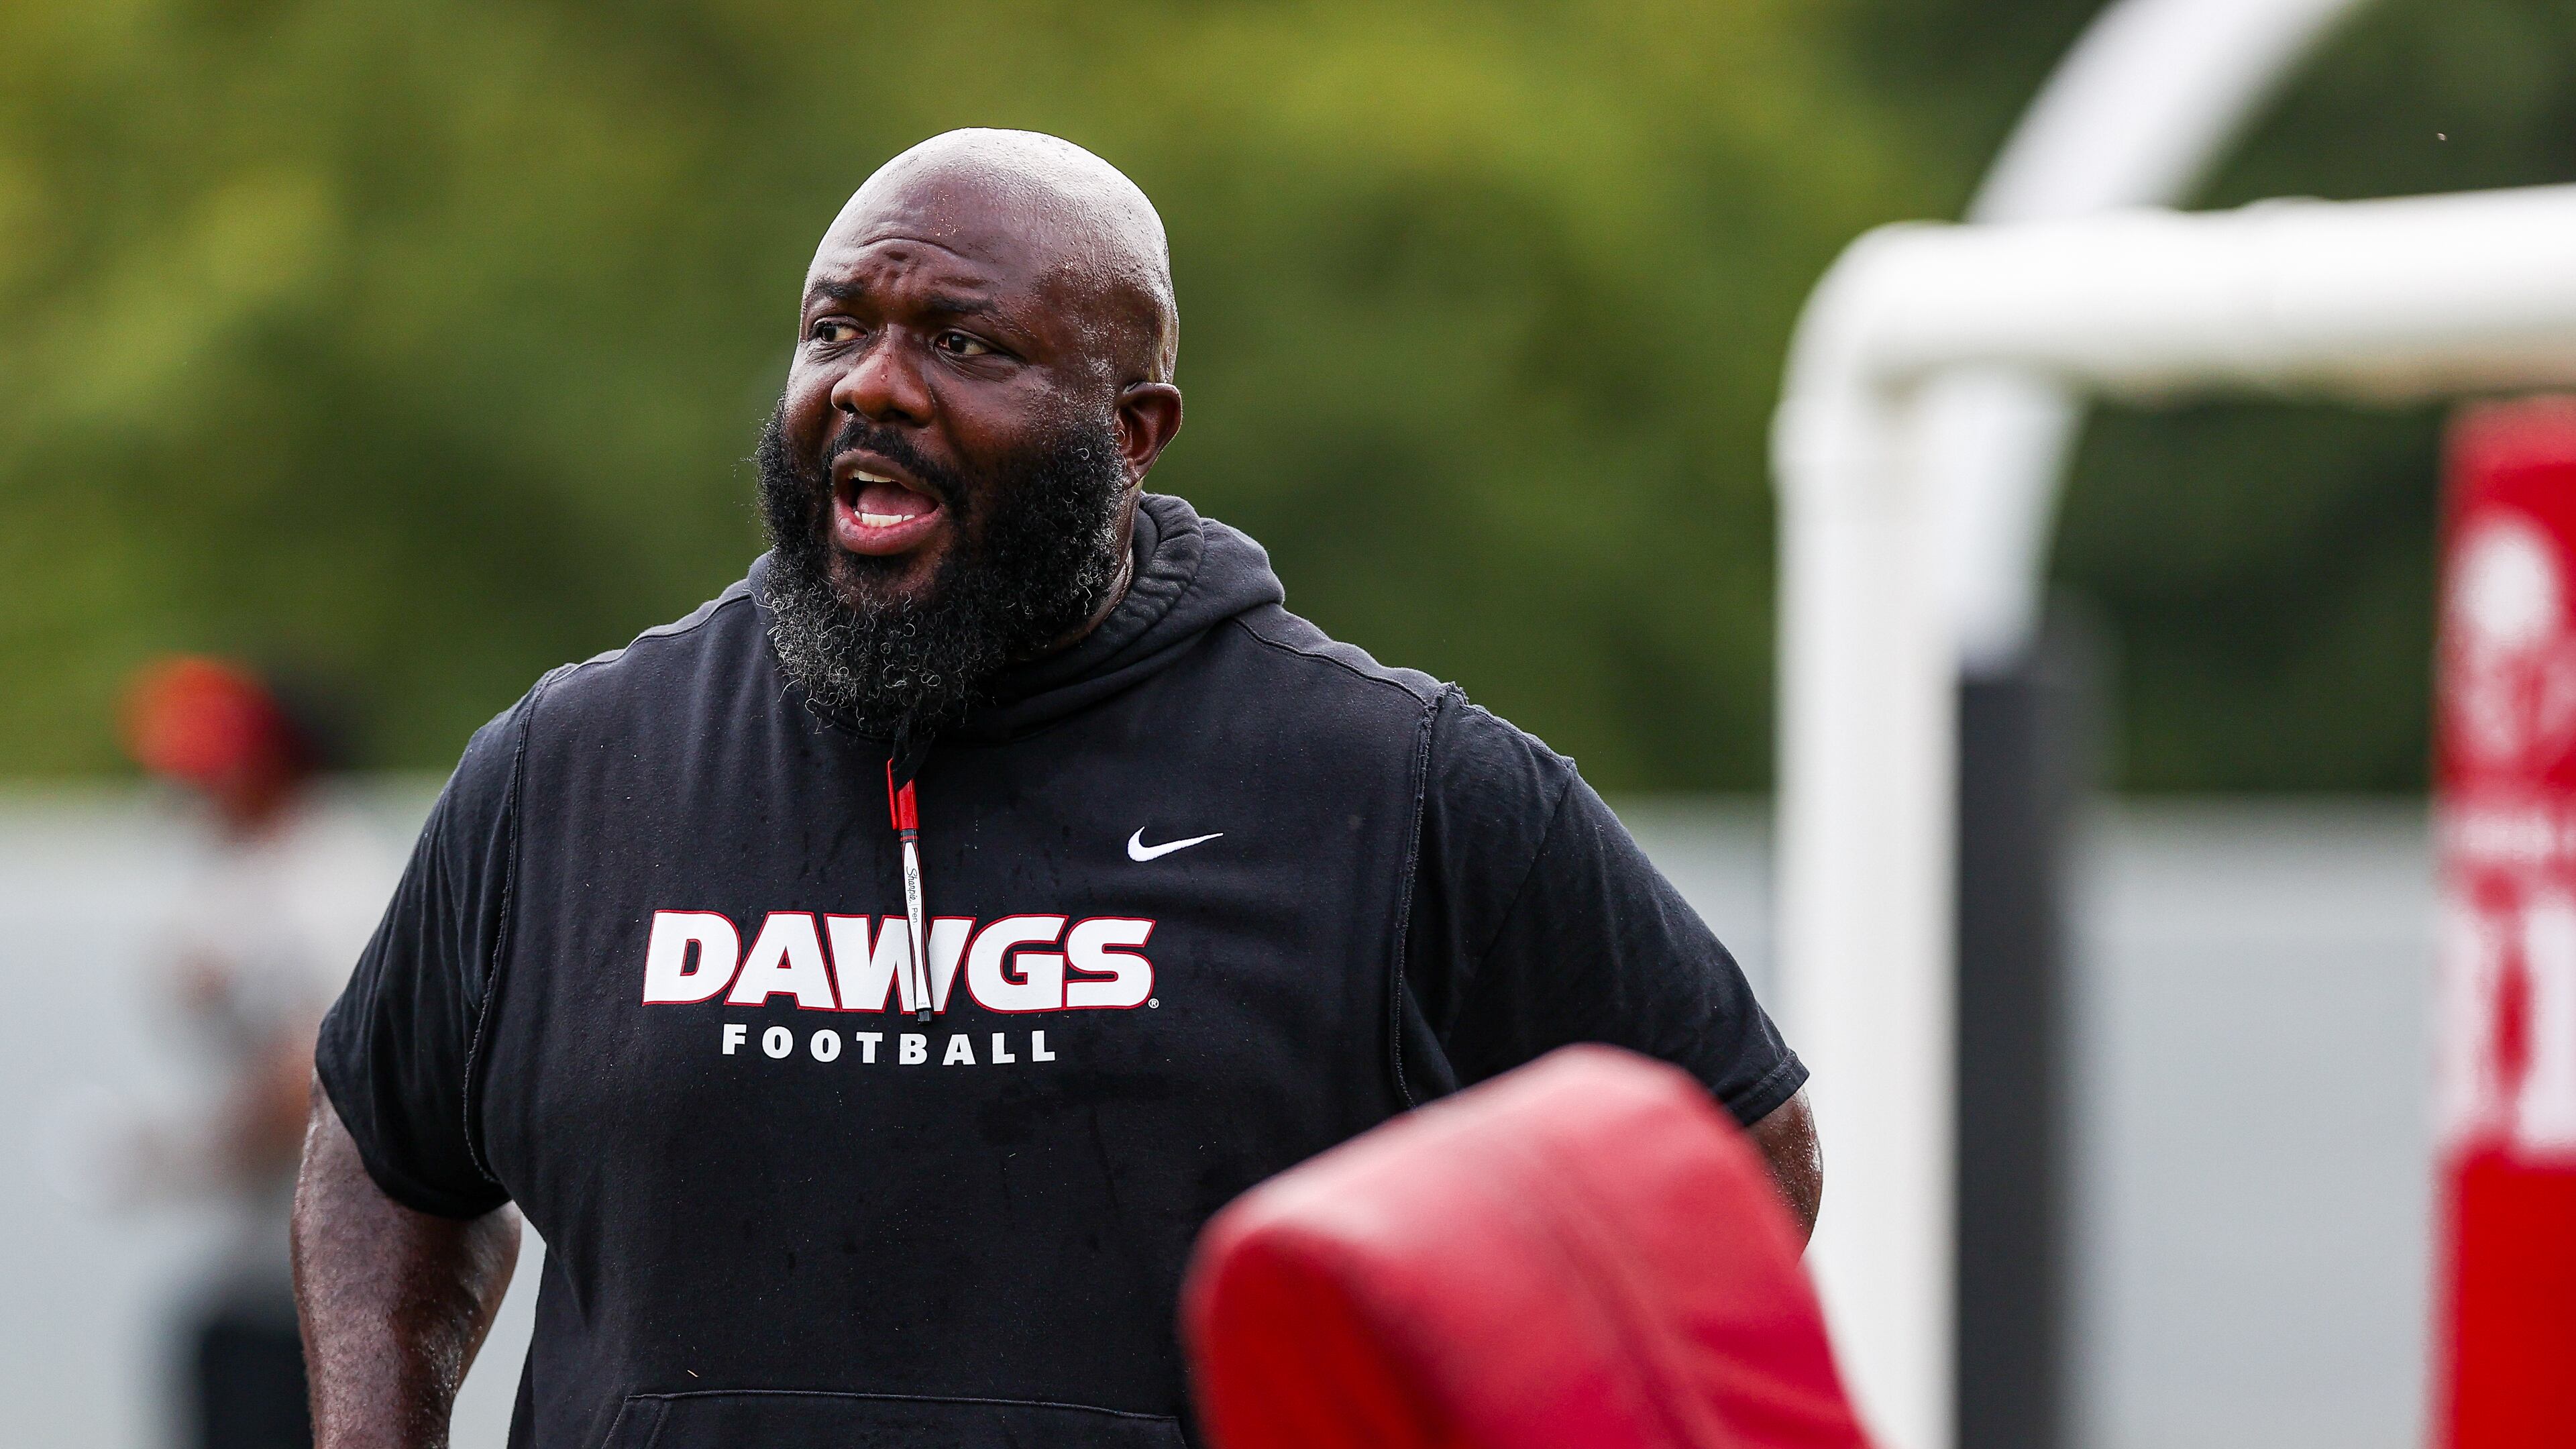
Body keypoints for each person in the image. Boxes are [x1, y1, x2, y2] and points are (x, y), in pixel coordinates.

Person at [294, 129, 1820, 1449]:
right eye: (837, 329)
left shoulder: (1396, 787)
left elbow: (1730, 1154)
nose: (872, 386)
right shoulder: (578, 765)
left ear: (1132, 433)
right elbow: (383, 1142)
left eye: (966, 344)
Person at [120, 657, 394, 1449]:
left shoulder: (328, 880)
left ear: (272, 763)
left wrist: (190, 1155)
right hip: (263, 1266)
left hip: (319, 1286)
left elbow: (310, 1072)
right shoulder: (256, 873)